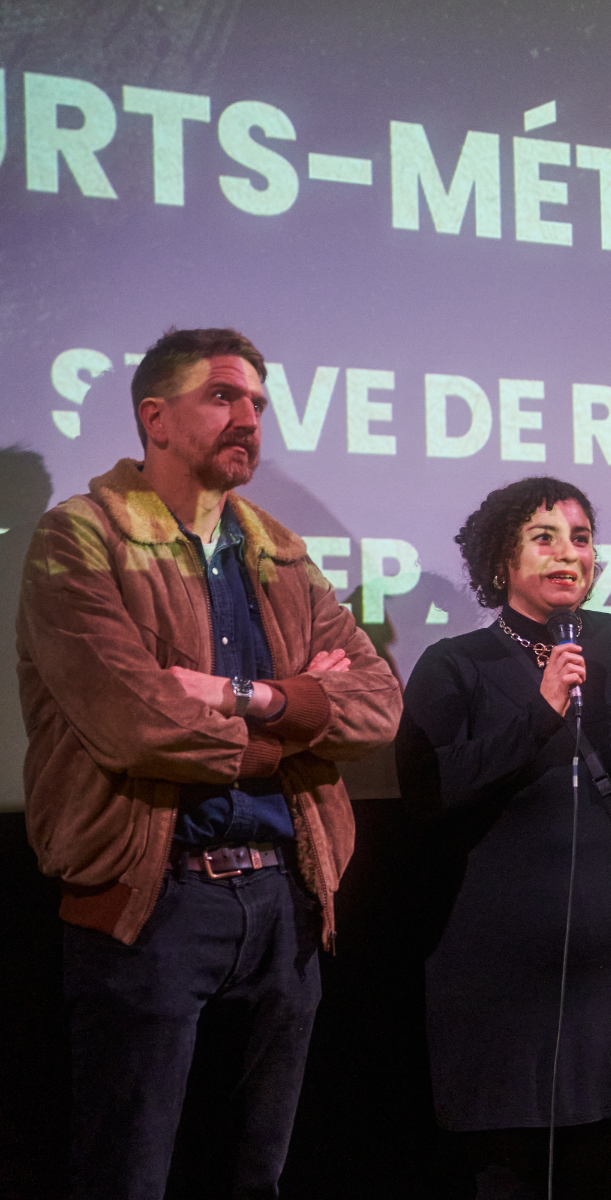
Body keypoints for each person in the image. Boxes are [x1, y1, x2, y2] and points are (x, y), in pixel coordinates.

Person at [16, 327, 402, 1199]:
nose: (249, 419)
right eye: (223, 396)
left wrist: (242, 696)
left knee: (255, 1176)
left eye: (258, 403)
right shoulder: (80, 537)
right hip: (150, 900)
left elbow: (379, 702)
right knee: (128, 1175)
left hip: (286, 900)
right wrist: (304, 711)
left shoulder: (281, 551)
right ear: (155, 417)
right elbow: (137, 724)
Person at [394, 476, 611, 1199]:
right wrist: (540, 714)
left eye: (581, 538)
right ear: (502, 560)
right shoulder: (456, 665)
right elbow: (429, 790)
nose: (568, 553)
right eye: (544, 537)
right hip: (503, 981)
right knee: (514, 1173)